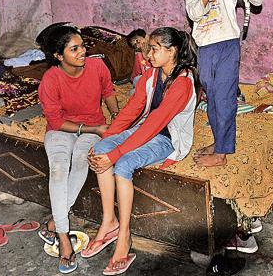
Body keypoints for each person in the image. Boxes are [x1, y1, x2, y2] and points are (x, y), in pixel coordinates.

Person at [83, 27, 198, 275]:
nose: (148, 56)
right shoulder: (153, 75)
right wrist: (109, 137)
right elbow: (132, 109)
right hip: (147, 129)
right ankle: (109, 222)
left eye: (154, 50)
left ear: (172, 51)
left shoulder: (183, 83)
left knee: (123, 164)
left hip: (167, 139)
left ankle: (124, 236)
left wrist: (115, 154)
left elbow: (156, 124)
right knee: (101, 147)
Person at [37, 24, 119, 274]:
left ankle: (54, 221)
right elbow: (56, 121)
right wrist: (92, 130)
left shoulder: (97, 66)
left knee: (82, 161)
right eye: (75, 49)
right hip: (61, 129)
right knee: (59, 170)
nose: (82, 52)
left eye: (82, 46)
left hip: (93, 126)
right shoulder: (50, 80)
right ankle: (64, 237)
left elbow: (108, 92)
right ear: (59, 56)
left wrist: (115, 116)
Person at [184, 0, 263, 167]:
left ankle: (222, 154)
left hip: (228, 44)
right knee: (212, 96)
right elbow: (194, 13)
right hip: (205, 46)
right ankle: (219, 141)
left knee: (225, 97)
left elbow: (257, 1)